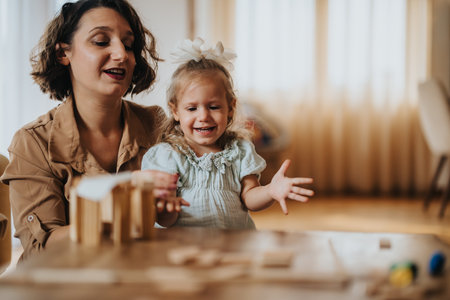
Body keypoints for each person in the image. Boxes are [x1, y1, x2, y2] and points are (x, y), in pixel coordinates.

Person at [0, 0, 185, 260]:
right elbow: (41, 249)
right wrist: (118, 204)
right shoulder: (33, 142)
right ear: (64, 53)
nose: (121, 54)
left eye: (129, 45)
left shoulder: (157, 125)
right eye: (101, 41)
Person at [141, 38, 314, 229]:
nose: (203, 116)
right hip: (184, 247)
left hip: (232, 246)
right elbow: (165, 220)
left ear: (230, 108)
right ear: (175, 111)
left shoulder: (239, 150)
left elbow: (250, 198)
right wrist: (166, 209)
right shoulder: (167, 155)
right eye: (191, 109)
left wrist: (270, 191)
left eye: (213, 107)